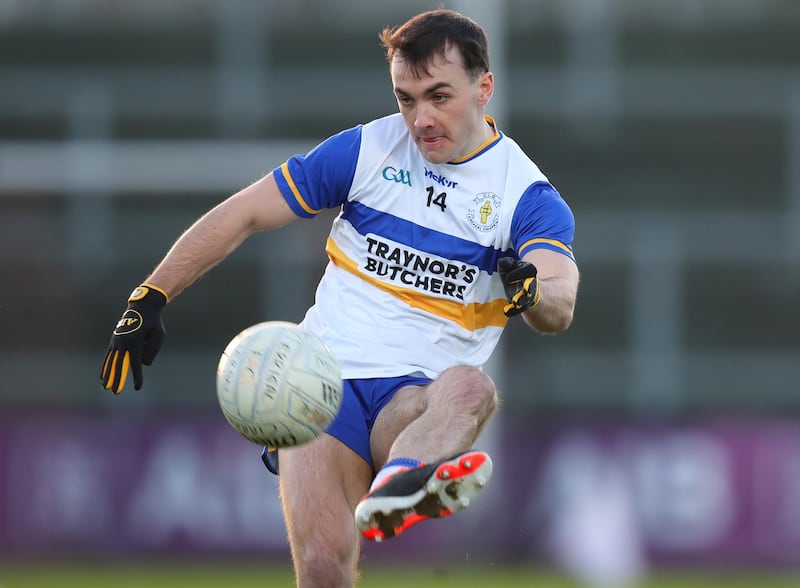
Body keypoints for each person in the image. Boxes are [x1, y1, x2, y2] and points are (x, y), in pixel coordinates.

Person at [100, 8, 579, 587]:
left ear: (485, 87)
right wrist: (150, 294)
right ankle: (405, 488)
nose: (421, 118)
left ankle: (401, 481)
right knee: (324, 572)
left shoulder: (524, 194)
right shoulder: (365, 151)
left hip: (413, 400)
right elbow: (246, 212)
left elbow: (560, 301)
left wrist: (532, 292)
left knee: (473, 388)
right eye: (406, 99)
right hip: (319, 387)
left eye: (439, 95)